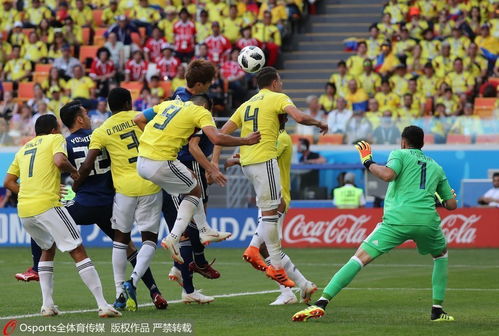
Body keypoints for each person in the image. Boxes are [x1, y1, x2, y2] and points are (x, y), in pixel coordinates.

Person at [292, 125, 458, 322]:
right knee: (440, 255)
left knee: (359, 259)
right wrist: (439, 197)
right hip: (427, 221)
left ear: (403, 142)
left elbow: (388, 175)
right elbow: (451, 205)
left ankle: (321, 303)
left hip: (397, 220)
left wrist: (367, 161)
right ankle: (437, 310)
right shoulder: (436, 167)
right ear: (422, 143)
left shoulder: (400, 154)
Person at [213, 66, 328, 287]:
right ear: (274, 83)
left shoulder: (246, 104)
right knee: (271, 214)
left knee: (272, 210)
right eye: (280, 81)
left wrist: (214, 161)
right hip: (263, 160)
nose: (282, 84)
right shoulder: (278, 97)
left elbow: (219, 135)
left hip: (247, 165)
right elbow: (299, 117)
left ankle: (269, 260)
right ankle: (274, 264)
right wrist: (318, 123)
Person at [3, 114, 121, 318]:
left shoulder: (24, 148)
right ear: (53, 130)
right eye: (59, 128)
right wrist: (75, 172)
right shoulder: (55, 139)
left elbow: (8, 182)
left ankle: (47, 306)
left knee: (47, 248)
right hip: (47, 206)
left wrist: (30, 191)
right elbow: (59, 160)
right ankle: (103, 304)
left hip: (25, 210)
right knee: (77, 249)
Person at [134, 59, 228, 303]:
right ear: (199, 85)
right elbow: (196, 145)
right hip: (183, 163)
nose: (211, 86)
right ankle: (197, 262)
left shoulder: (176, 95)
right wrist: (210, 167)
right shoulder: (195, 109)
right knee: (193, 219)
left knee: (189, 220)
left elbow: (143, 119)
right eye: (208, 83)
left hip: (164, 161)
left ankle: (186, 273)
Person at [137, 94, 259, 266]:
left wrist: (156, 139)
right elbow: (216, 138)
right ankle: (174, 237)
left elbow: (138, 118)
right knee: (194, 189)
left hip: (142, 161)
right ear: (206, 106)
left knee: (193, 184)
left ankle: (204, 230)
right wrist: (245, 141)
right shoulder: (201, 112)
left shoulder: (169, 104)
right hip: (160, 161)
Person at [74, 88, 163, 312]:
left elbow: (87, 164)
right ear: (128, 102)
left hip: (123, 190)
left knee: (120, 239)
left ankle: (118, 293)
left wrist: (76, 184)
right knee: (149, 239)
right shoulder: (142, 117)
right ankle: (131, 281)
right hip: (149, 183)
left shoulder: (102, 130)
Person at [224, 114, 317, 305]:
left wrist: (238, 160)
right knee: (268, 247)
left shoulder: (281, 138)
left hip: (277, 196)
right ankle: (300, 285)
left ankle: (290, 291)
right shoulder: (275, 138)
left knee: (263, 247)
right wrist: (242, 157)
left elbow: (264, 158)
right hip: (268, 196)